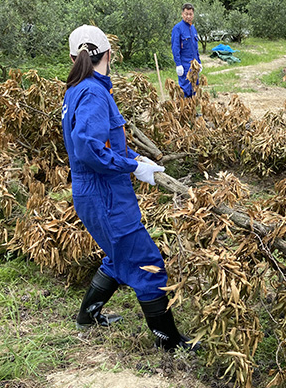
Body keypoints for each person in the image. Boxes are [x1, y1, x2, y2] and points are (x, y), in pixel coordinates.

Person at [61, 25, 197, 352]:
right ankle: (170, 342)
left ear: (73, 57)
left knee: (117, 255)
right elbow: (87, 148)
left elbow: (105, 144)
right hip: (105, 195)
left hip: (95, 192)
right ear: (109, 54)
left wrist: (140, 160)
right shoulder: (94, 92)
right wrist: (131, 166)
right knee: (148, 263)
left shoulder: (77, 89)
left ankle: (87, 317)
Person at [171, 3, 201, 97]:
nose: (188, 16)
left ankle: (193, 111)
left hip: (194, 64)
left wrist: (199, 62)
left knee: (194, 87)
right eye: (186, 14)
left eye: (190, 14)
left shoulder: (193, 28)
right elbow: (175, 48)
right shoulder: (178, 28)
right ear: (182, 14)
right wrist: (178, 64)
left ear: (193, 15)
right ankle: (184, 110)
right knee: (185, 89)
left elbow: (195, 48)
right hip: (184, 64)